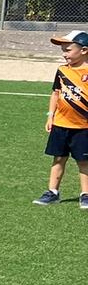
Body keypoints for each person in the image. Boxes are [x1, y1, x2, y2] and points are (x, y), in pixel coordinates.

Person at [36, 29, 88, 208]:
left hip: (83, 126)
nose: (64, 54)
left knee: (84, 161)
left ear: (84, 50)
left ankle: (85, 194)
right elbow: (56, 93)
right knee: (58, 158)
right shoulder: (62, 70)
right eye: (63, 50)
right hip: (60, 124)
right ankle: (53, 192)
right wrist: (50, 116)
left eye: (68, 49)